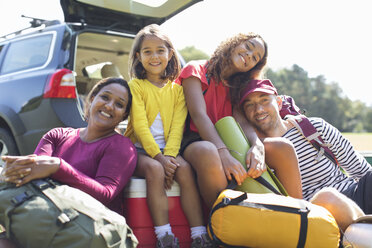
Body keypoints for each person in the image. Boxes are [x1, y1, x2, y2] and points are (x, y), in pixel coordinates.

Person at [0, 77, 137, 246]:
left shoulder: (121, 146)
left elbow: (105, 194)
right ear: (92, 99)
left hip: (88, 231)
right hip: (47, 219)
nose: (109, 106)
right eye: (105, 97)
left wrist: (58, 167)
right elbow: (33, 176)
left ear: (124, 115)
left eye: (119, 104)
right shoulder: (56, 136)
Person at [176, 32, 303, 208]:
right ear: (235, 43)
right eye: (248, 47)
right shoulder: (195, 69)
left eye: (254, 58)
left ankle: (300, 213)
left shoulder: (236, 87)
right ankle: (223, 220)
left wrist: (257, 146)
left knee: (281, 146)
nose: (248, 56)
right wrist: (223, 153)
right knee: (208, 151)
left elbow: (242, 123)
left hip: (228, 140)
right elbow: (199, 116)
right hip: (193, 140)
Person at [239, 78, 372, 231]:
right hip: (320, 212)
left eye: (264, 100)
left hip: (355, 194)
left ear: (278, 102)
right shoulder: (257, 151)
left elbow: (361, 169)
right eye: (250, 105)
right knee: (327, 197)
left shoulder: (313, 127)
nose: (259, 110)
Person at [124, 24, 211, 247]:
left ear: (170, 54)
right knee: (155, 169)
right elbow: (141, 126)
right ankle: (164, 235)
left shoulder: (178, 90)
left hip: (168, 152)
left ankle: (198, 234)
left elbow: (177, 128)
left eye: (160, 50)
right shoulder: (136, 86)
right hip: (141, 150)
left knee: (185, 171)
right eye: (147, 51)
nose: (155, 56)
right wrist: (159, 158)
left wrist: (170, 157)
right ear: (138, 56)